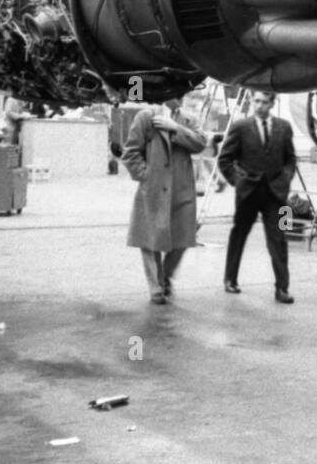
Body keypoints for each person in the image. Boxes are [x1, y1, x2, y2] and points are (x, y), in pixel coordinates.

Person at [121, 100, 206, 305]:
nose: (180, 96)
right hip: (154, 189)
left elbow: (200, 143)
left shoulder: (188, 120)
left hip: (181, 188)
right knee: (150, 239)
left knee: (183, 237)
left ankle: (166, 276)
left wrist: (176, 128)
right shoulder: (146, 117)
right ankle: (156, 287)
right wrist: (147, 176)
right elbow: (130, 153)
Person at [217, 91, 297, 304]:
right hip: (248, 193)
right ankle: (230, 279)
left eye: (264, 102)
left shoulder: (284, 127)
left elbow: (291, 159)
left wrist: (285, 179)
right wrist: (238, 181)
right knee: (239, 234)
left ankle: (282, 288)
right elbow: (224, 159)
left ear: (272, 103)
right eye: (256, 101)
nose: (259, 105)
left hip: (276, 195)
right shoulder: (240, 127)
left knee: (279, 238)